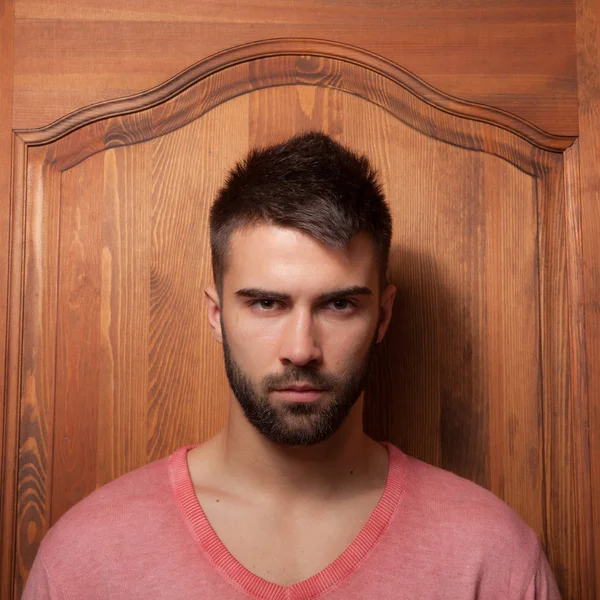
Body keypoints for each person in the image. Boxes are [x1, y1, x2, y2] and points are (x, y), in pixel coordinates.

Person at [22, 132, 561, 599]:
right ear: (216, 314)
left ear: (383, 315)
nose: (301, 349)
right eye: (266, 303)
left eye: (339, 305)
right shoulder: (87, 559)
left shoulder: (490, 556)